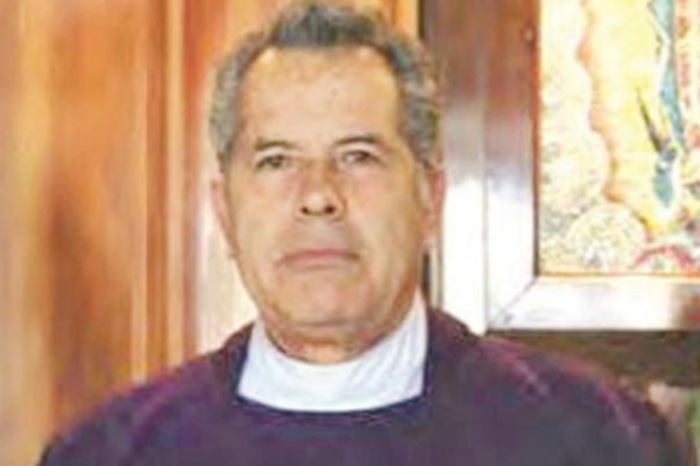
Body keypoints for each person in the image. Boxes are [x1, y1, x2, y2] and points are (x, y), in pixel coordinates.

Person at [39, 2, 689, 465]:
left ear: (429, 199)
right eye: (276, 161)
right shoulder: (111, 451)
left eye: (358, 156)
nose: (318, 195)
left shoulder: (595, 438)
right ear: (225, 214)